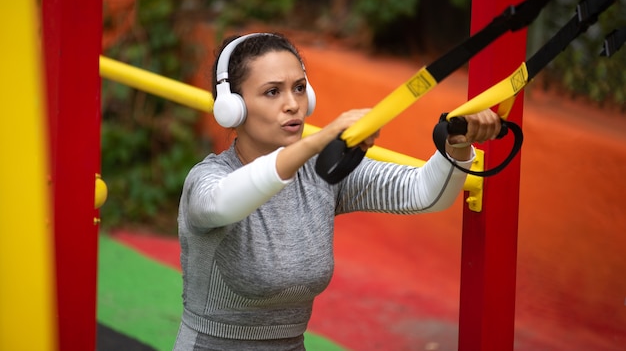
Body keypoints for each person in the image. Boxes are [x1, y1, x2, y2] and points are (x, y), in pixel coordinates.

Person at [174, 32, 502, 350]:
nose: (293, 105)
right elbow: (222, 204)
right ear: (232, 107)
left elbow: (422, 193)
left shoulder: (321, 173)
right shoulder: (207, 181)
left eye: (299, 88)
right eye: (272, 92)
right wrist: (322, 138)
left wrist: (457, 147)